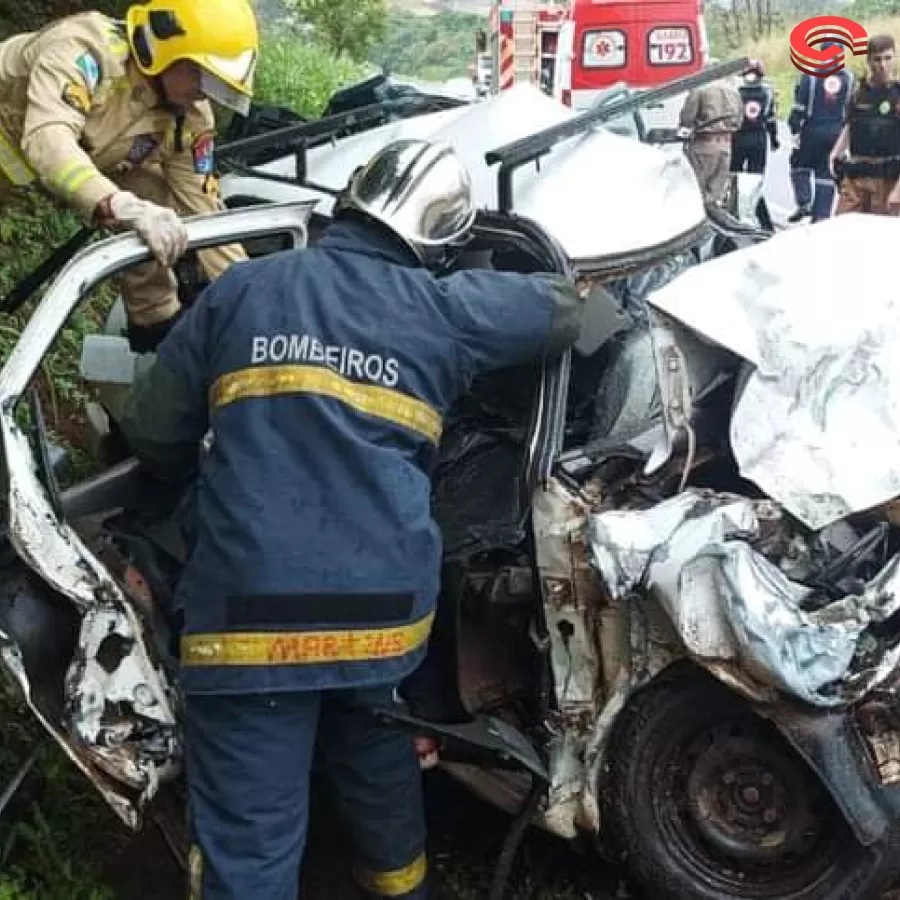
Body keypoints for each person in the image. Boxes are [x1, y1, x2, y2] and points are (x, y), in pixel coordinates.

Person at [119, 139, 584, 900]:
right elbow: (564, 311)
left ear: (354, 200)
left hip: (245, 626)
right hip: (380, 630)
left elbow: (152, 434)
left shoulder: (242, 291)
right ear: (437, 240)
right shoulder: (446, 310)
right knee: (379, 774)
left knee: (251, 837)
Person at [0, 0, 258, 352]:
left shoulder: (189, 118)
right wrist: (118, 203)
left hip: (30, 173)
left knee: (151, 195)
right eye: (203, 76)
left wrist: (251, 303)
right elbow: (48, 138)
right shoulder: (83, 49)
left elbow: (207, 212)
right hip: (18, 141)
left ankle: (156, 324)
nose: (206, 92)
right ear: (166, 48)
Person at [829, 34, 900, 216]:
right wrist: (834, 155)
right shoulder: (859, 93)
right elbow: (850, 126)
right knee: (842, 229)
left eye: (887, 58)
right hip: (857, 177)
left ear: (895, 58)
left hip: (888, 180)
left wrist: (898, 190)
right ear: (869, 61)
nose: (883, 65)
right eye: (877, 59)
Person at [787, 41, 853, 223]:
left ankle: (804, 201)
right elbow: (852, 109)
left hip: (812, 131)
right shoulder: (849, 78)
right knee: (826, 175)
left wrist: (794, 128)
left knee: (798, 166)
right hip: (836, 133)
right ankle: (820, 218)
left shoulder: (810, 76)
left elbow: (799, 109)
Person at [679, 71, 743, 205]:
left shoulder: (700, 89)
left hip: (704, 145)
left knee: (697, 193)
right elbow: (739, 120)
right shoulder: (734, 92)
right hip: (726, 146)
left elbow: (687, 118)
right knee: (716, 195)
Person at [731, 59, 779, 175]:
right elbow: (770, 119)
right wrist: (773, 140)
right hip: (757, 138)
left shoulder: (734, 92)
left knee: (734, 171)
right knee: (755, 173)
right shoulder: (767, 93)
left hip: (738, 137)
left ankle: (733, 192)